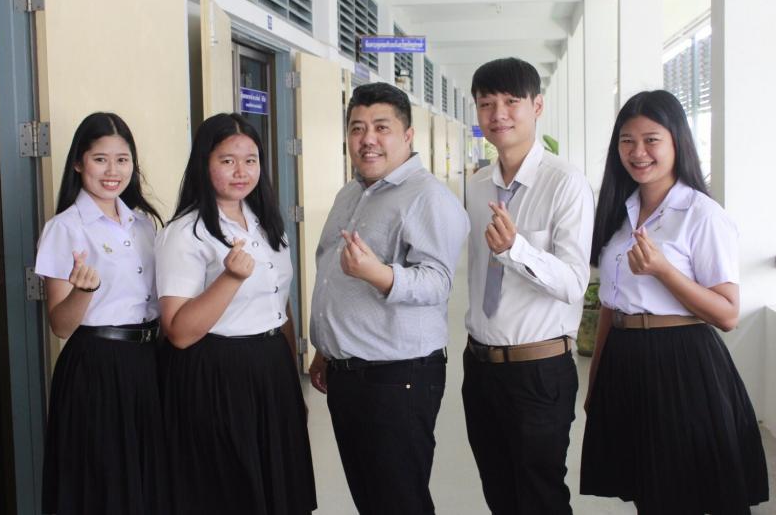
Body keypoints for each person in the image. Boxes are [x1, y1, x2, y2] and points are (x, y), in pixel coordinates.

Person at [581, 90, 768, 514]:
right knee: (648, 493)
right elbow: (611, 304)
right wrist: (596, 383)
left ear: (677, 142)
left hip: (681, 364)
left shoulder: (702, 214)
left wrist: (664, 271)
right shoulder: (619, 212)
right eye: (627, 141)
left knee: (686, 491)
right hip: (624, 360)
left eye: (651, 140)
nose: (638, 152)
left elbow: (727, 313)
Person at [308, 82, 469, 515]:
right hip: (350, 373)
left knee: (399, 502)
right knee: (372, 499)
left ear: (408, 135)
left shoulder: (428, 197)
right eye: (357, 128)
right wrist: (326, 349)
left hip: (396, 378)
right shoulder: (352, 192)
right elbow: (332, 273)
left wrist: (378, 274)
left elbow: (437, 282)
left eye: (381, 127)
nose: (368, 139)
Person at [155, 113, 316, 515]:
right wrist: (229, 278)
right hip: (218, 373)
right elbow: (178, 332)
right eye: (227, 160)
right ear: (204, 163)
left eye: (250, 160)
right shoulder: (186, 233)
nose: (241, 171)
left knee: (278, 489)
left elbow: (280, 304)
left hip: (271, 366)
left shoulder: (267, 223)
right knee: (232, 493)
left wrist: (291, 382)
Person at [463, 57, 594, 515]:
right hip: (480, 367)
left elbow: (574, 283)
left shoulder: (565, 183)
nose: (497, 114)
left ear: (537, 106)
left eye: (510, 102)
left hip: (538, 371)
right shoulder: (478, 185)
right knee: (499, 492)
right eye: (486, 104)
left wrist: (516, 249)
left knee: (540, 497)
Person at [36, 112, 168, 515]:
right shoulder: (65, 228)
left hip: (149, 362)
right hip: (97, 367)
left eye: (122, 160)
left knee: (148, 478)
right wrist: (83, 291)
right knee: (104, 483)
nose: (113, 171)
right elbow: (60, 326)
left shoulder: (144, 225)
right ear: (78, 163)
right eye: (100, 159)